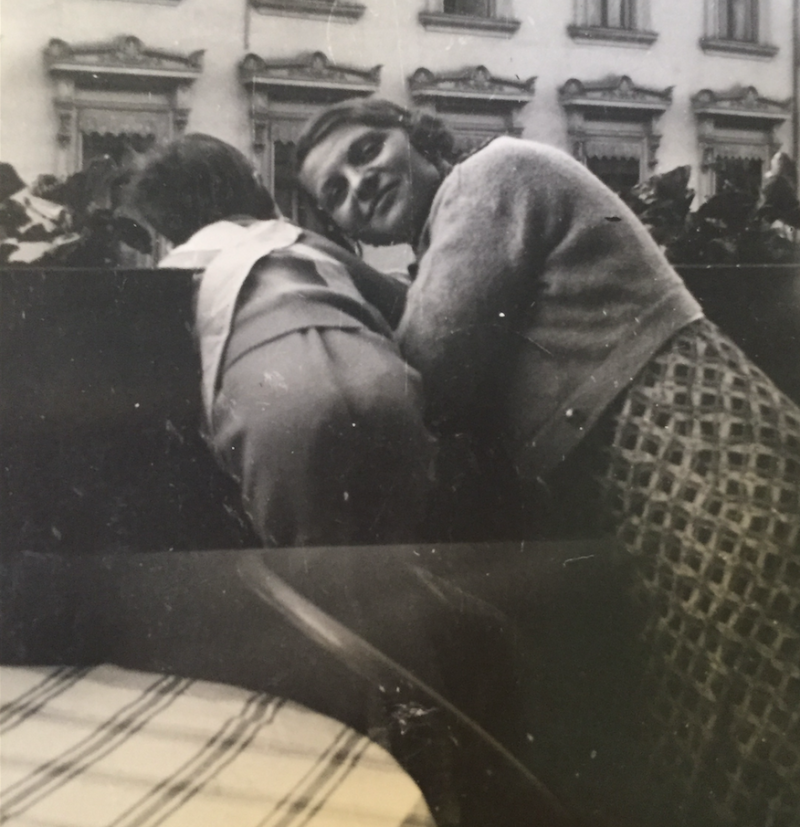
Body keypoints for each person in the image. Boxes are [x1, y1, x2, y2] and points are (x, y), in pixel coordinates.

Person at [295, 98, 800, 826]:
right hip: (683, 480)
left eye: (366, 150)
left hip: (703, 461)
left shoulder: (489, 179)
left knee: (761, 717)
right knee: (736, 719)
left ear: (416, 136)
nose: (359, 182)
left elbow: (429, 371)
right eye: (335, 191)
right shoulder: (456, 223)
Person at [130, 133, 434, 548]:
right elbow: (401, 304)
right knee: (400, 543)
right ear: (256, 182)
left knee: (307, 560)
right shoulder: (293, 237)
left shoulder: (174, 270)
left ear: (166, 227)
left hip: (272, 408)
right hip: (381, 382)